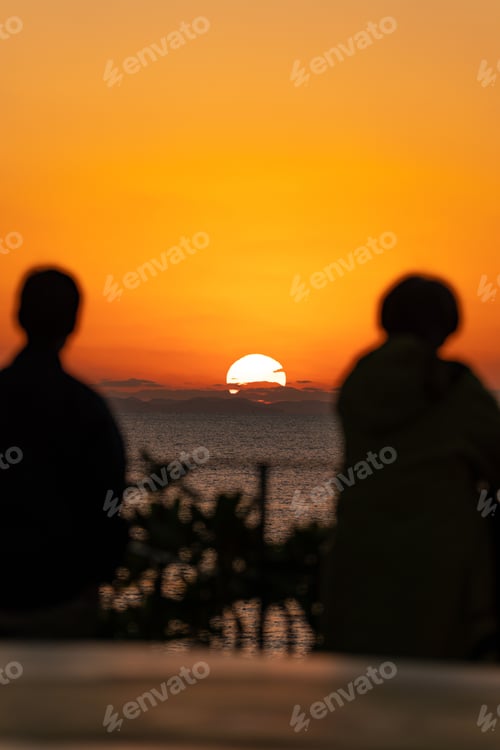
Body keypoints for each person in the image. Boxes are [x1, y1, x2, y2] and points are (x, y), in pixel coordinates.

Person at [322, 274, 500, 660]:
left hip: (358, 565)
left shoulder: (358, 382)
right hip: (442, 574)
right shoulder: (452, 387)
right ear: (446, 325)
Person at [0, 268, 128, 637]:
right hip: (63, 602)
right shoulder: (87, 411)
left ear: (18, 315)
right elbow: (108, 504)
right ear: (74, 323)